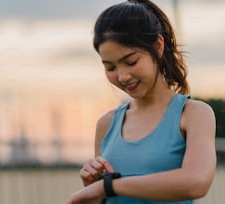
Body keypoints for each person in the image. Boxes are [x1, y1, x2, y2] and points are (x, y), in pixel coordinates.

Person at [67, 0, 216, 203]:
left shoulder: (193, 114)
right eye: (110, 67)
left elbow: (196, 182)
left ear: (158, 46)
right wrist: (94, 190)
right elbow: (104, 197)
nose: (122, 76)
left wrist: (107, 186)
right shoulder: (106, 124)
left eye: (131, 62)